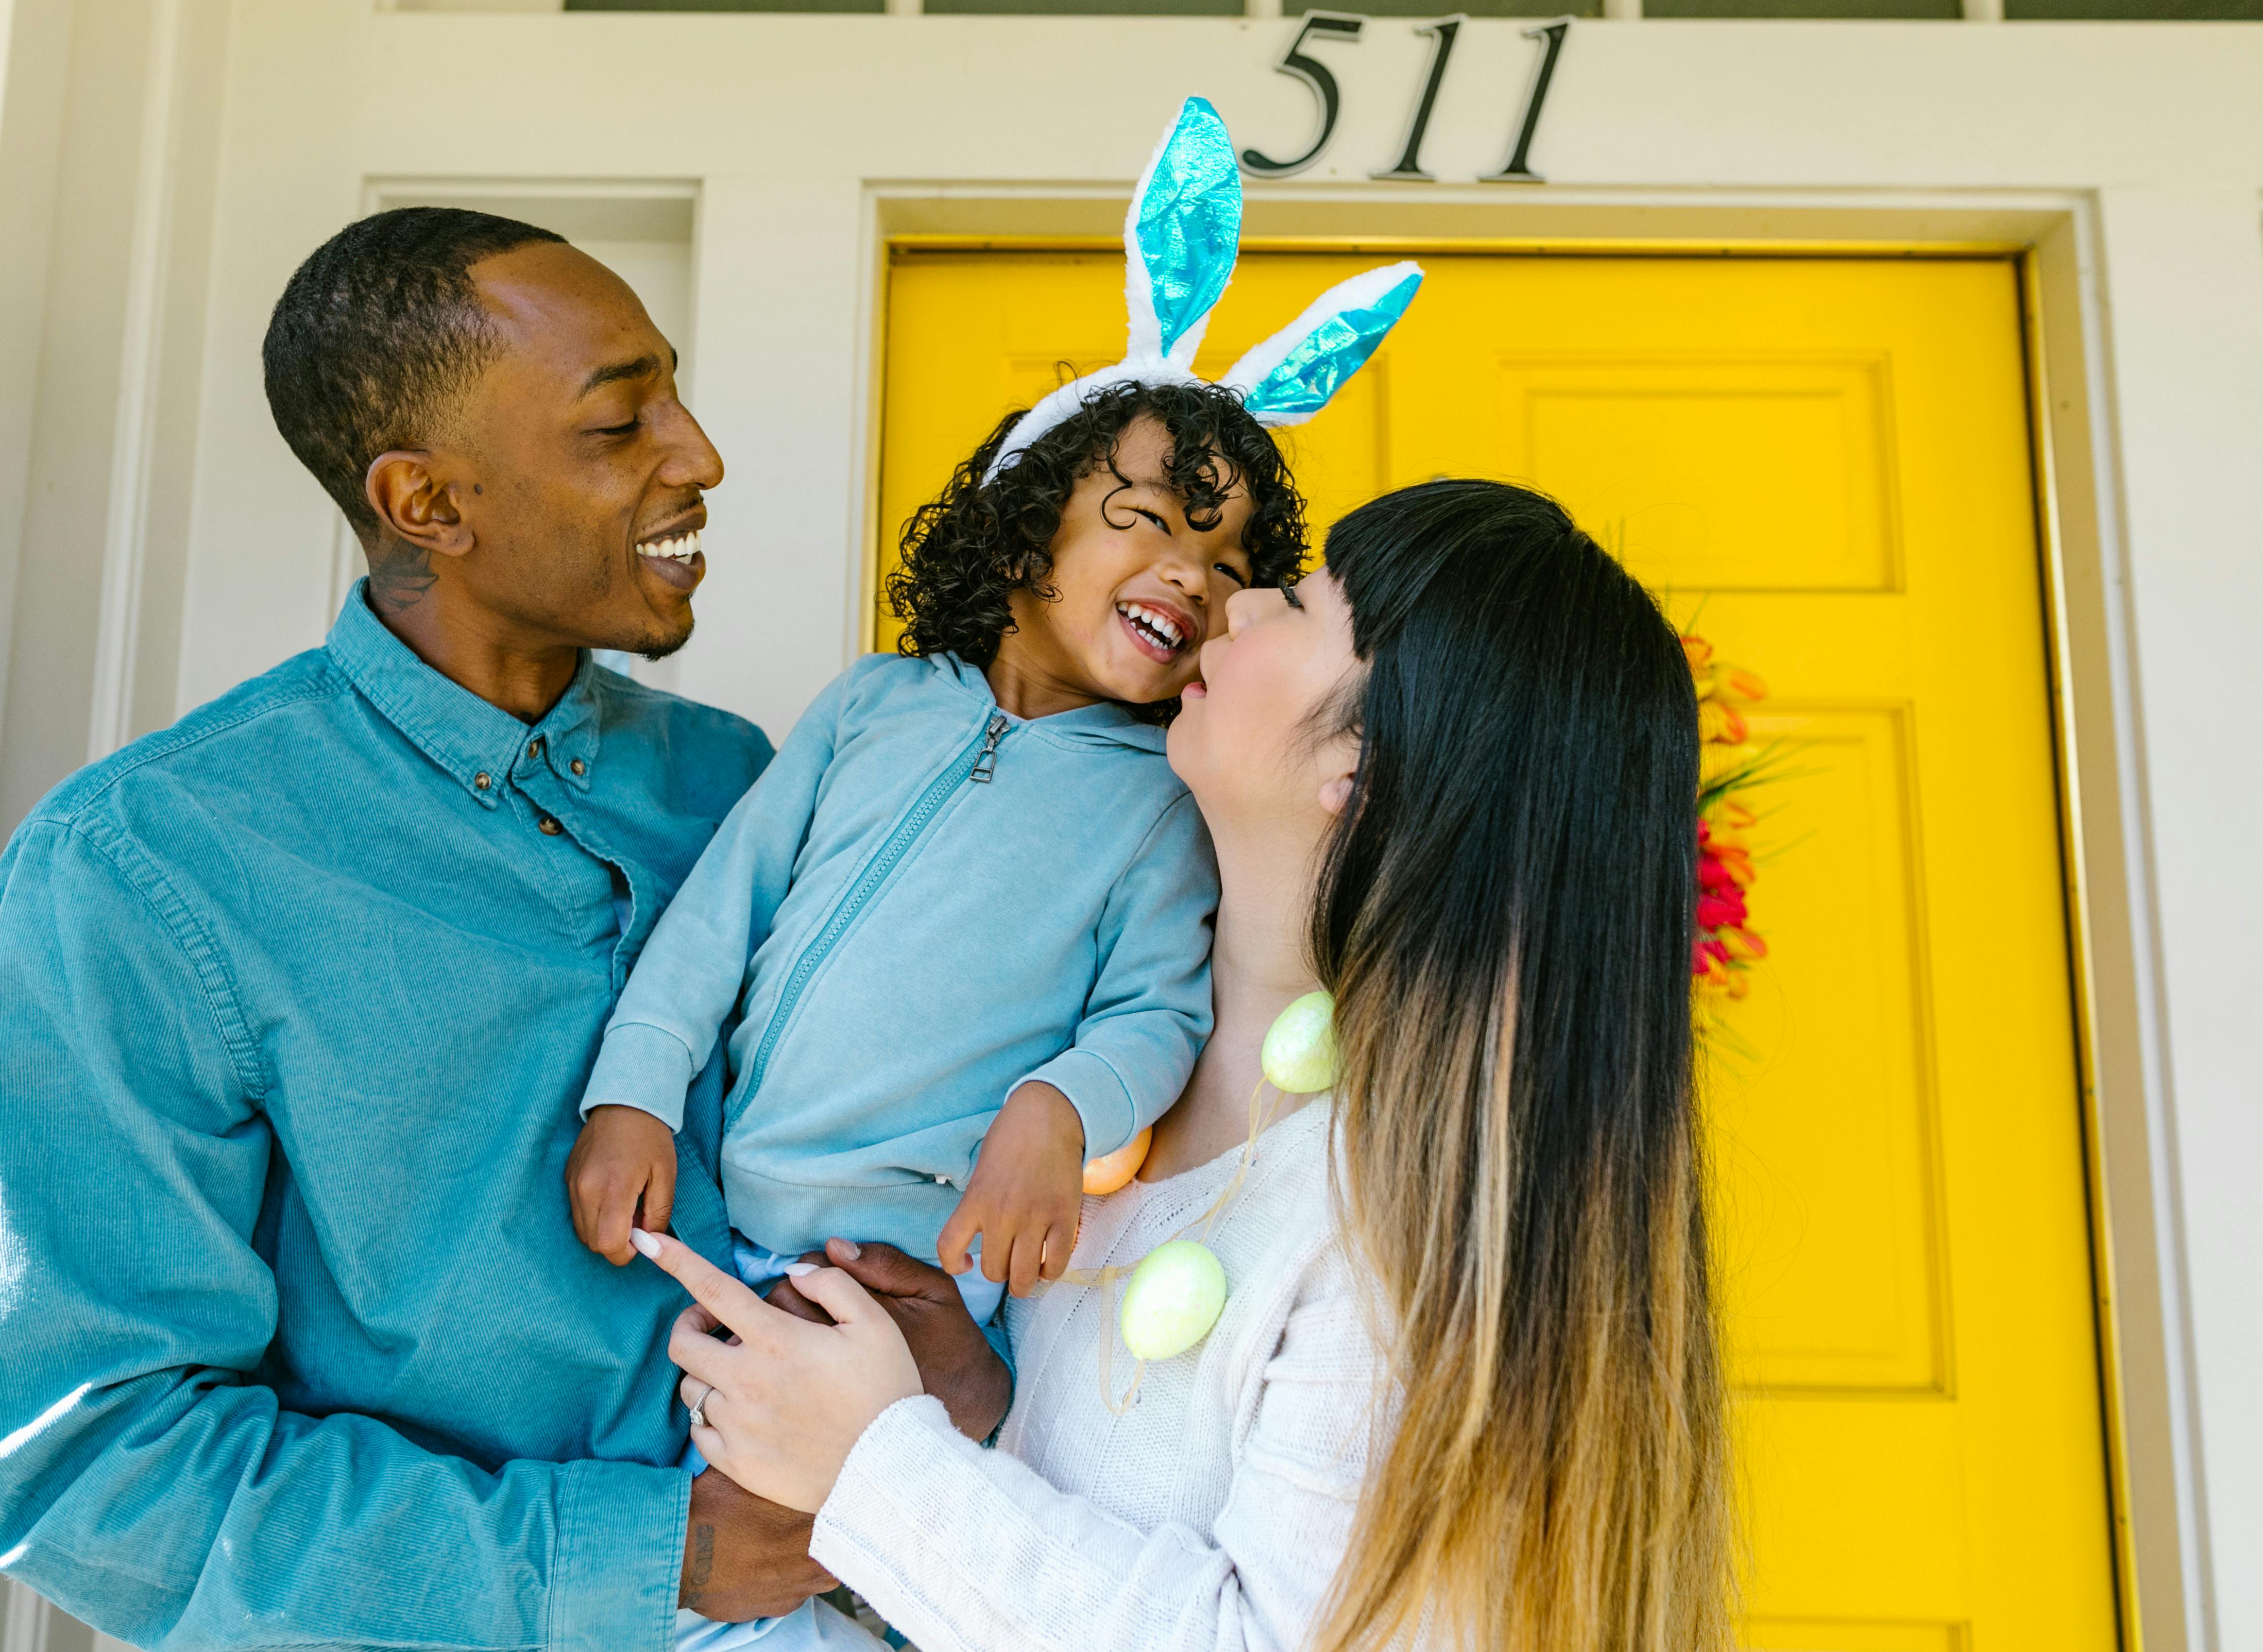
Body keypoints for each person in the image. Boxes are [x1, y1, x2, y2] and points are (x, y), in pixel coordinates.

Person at [0, 206, 1007, 1649]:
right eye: (621, 421)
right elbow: (99, 1480)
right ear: (427, 505)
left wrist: (951, 1349)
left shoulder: (736, 785)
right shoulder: (138, 873)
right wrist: (655, 1557)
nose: (697, 455)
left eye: (675, 397)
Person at [634, 480, 1740, 1652]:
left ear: (1368, 777)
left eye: (1306, 607)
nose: (1240, 601)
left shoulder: (1397, 1225)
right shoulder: (1099, 1060)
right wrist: (969, 1403)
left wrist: (875, 1461)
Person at [563, 382, 1305, 1329]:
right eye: (1153, 521)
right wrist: (631, 1096)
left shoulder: (1165, 799)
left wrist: (1059, 1106)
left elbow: (1155, 1014)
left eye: (1228, 563)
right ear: (1019, 534)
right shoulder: (870, 703)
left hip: (921, 1271)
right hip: (703, 1215)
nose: (1196, 577)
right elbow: (718, 916)